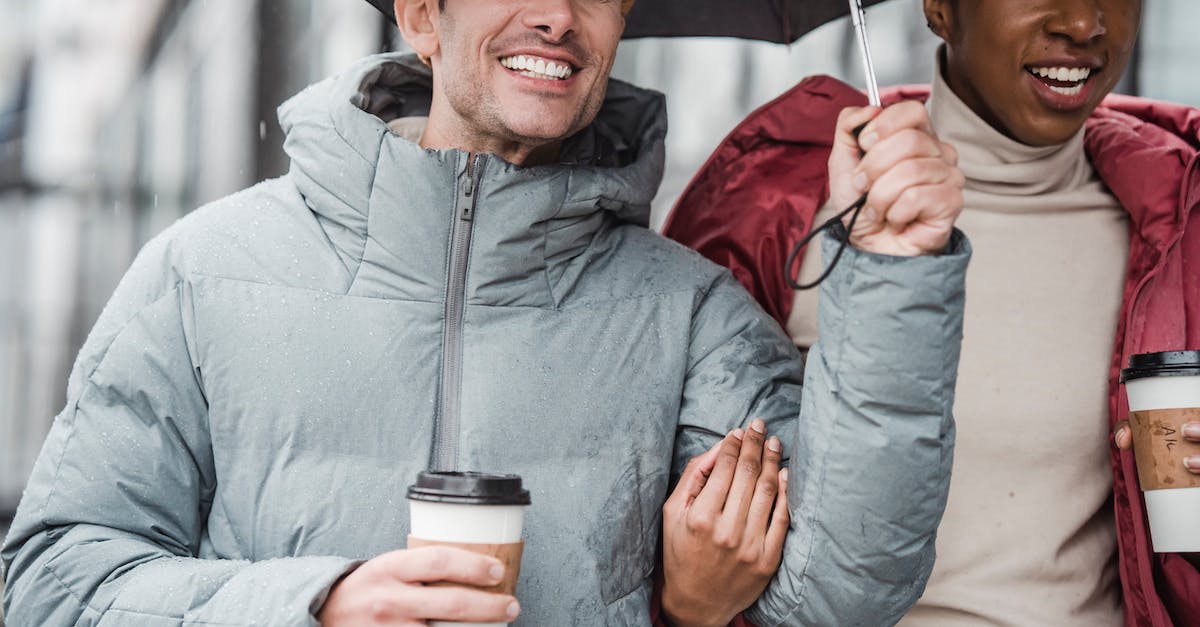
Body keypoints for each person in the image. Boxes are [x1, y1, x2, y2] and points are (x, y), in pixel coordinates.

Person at [2, 0, 970, 625]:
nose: (558, 17)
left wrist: (895, 262)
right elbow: (54, 582)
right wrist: (313, 605)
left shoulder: (691, 315)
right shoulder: (203, 273)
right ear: (423, 16)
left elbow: (840, 592)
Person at [663, 0, 1200, 624]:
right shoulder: (786, 214)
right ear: (940, 9)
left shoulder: (1179, 227)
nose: (1082, 24)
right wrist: (689, 607)